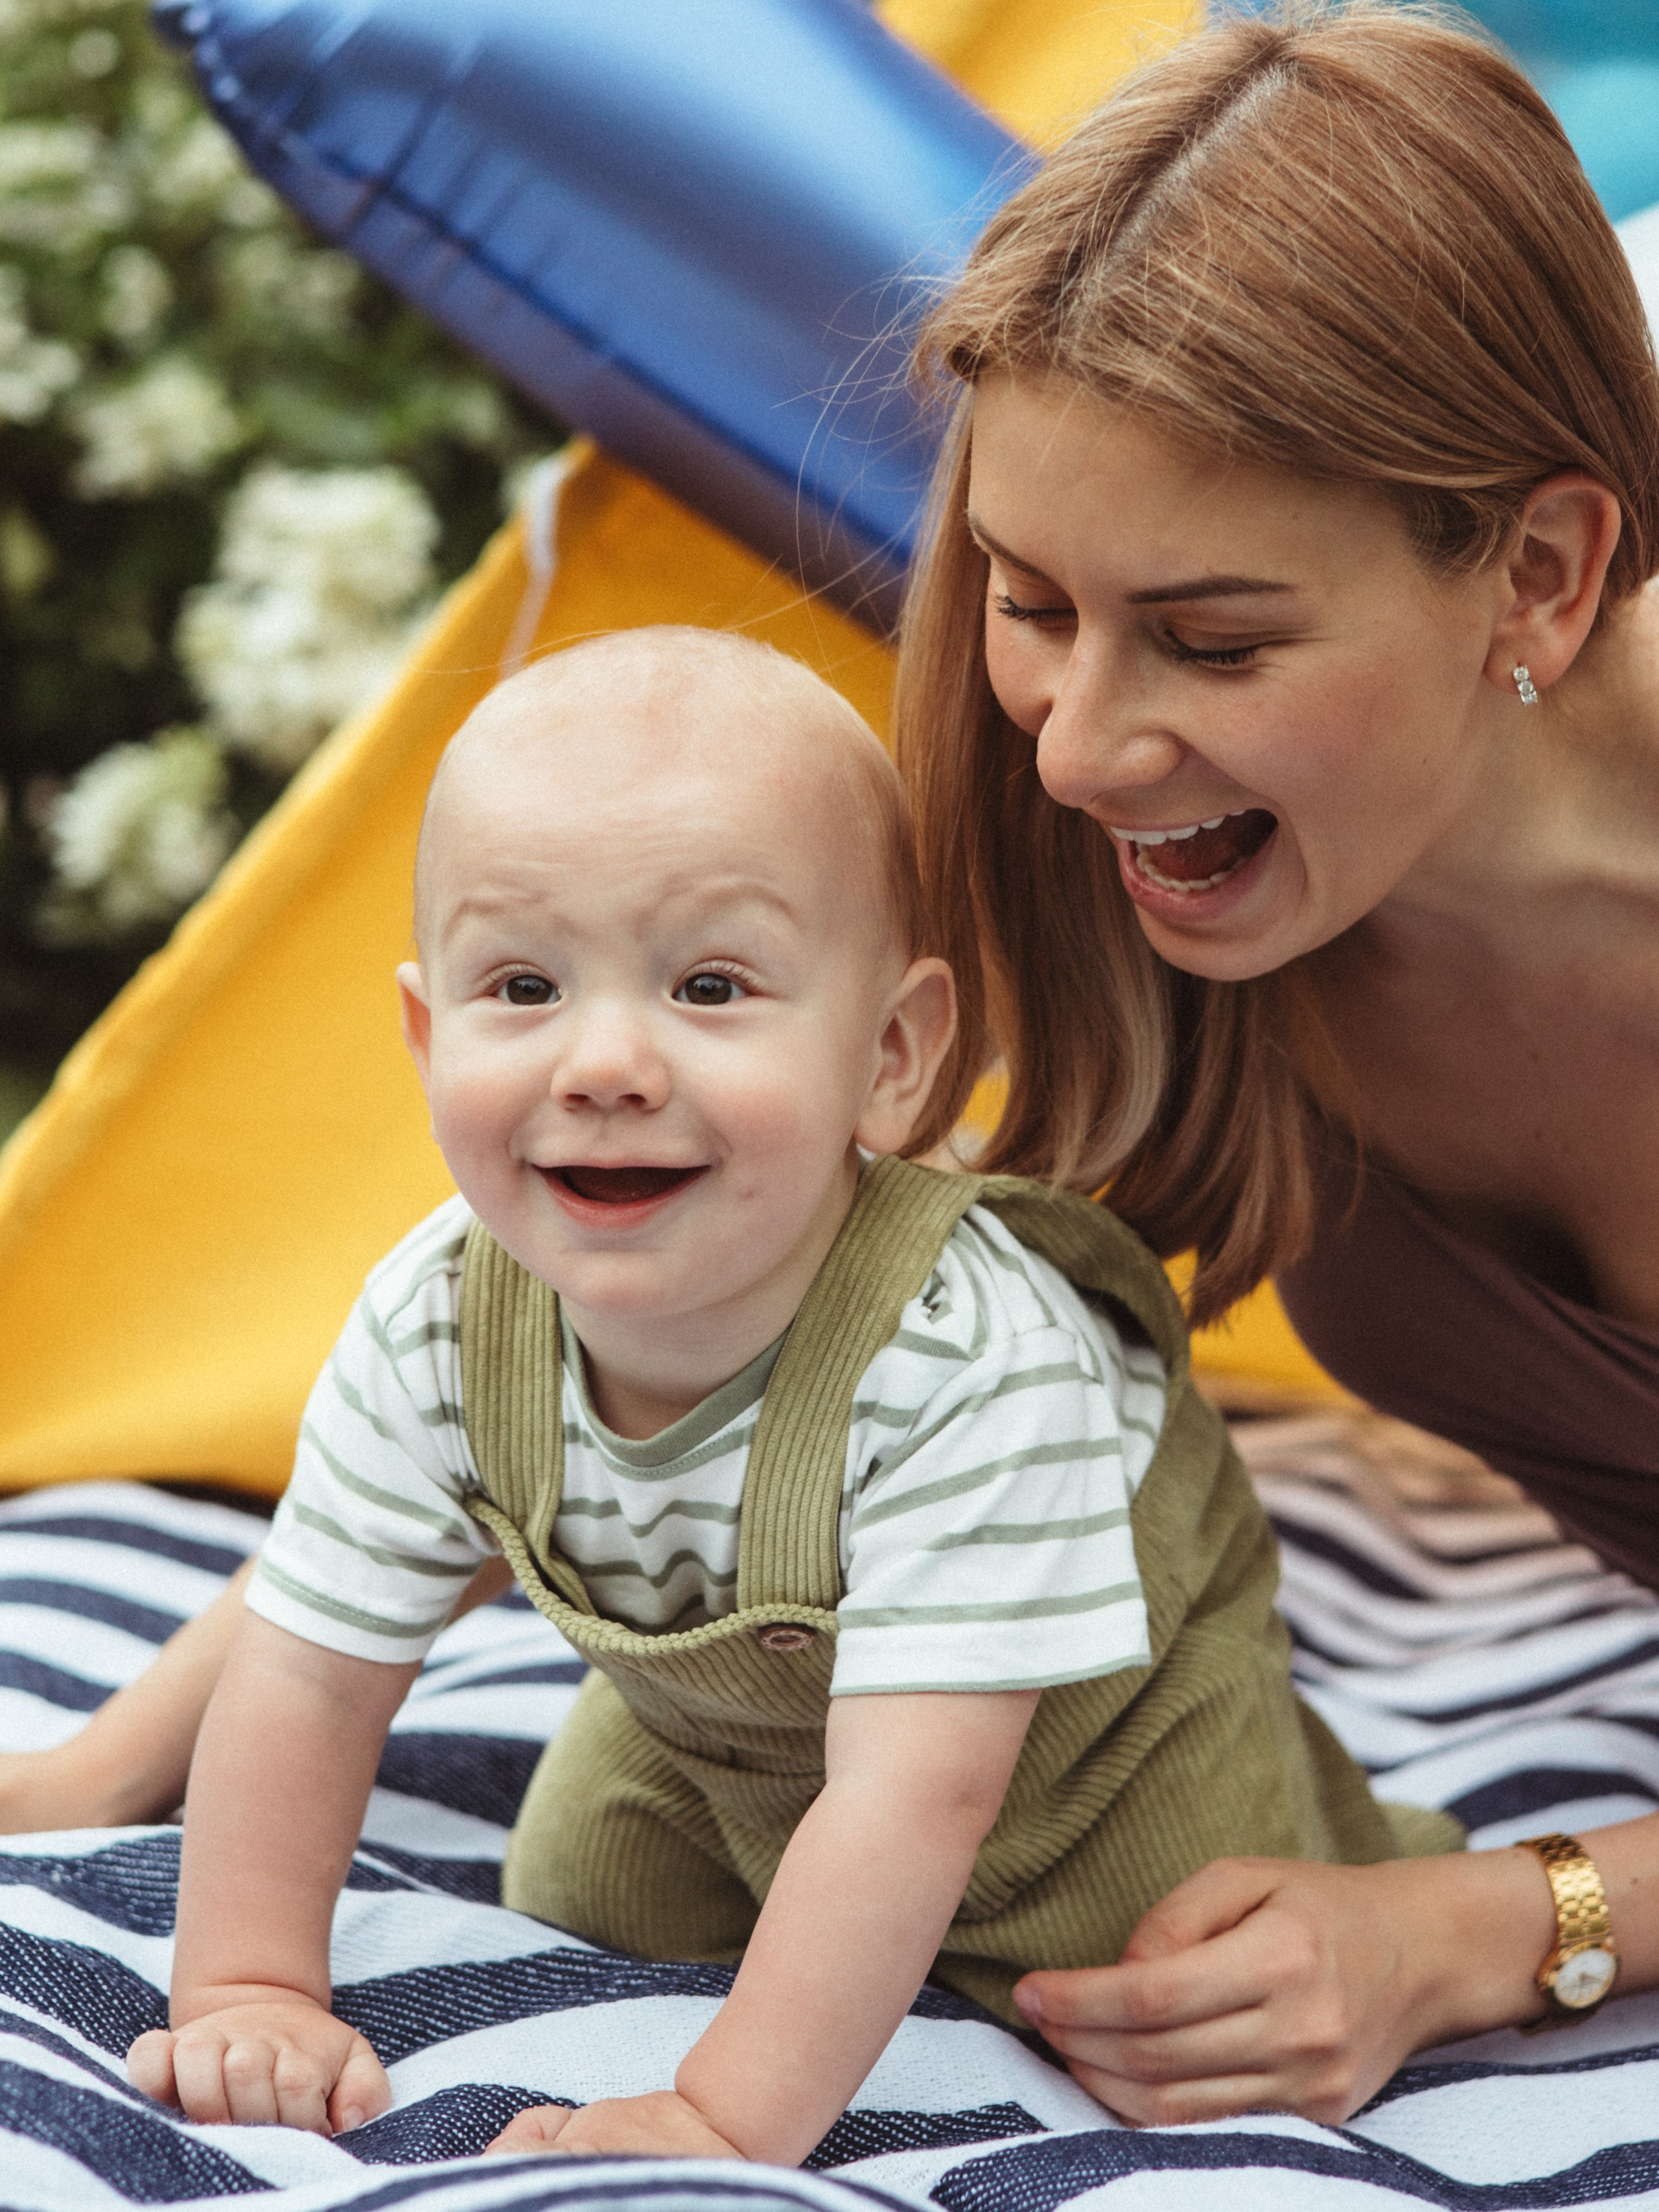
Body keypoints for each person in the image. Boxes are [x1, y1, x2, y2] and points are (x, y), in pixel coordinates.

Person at [113, 627, 1443, 2160]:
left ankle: (1337, 1869)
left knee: (1173, 1996)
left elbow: (916, 1798)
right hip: (739, 1756)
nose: (604, 1063)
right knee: (580, 1885)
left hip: (1088, 1770)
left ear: (890, 1056)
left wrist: (720, 2117)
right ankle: (792, 1928)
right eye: (523, 985)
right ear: (426, 1040)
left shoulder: (959, 1353)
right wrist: (249, 1985)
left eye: (710, 985)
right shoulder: (439, 1317)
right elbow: (307, 1675)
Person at [891, 0, 1659, 2136]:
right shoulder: (1157, 840)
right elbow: (760, 1266)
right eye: (1030, 601)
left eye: (1216, 640)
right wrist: (170, 1737)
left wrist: (1503, 1920)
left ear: (1541, 573)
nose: (1076, 746)